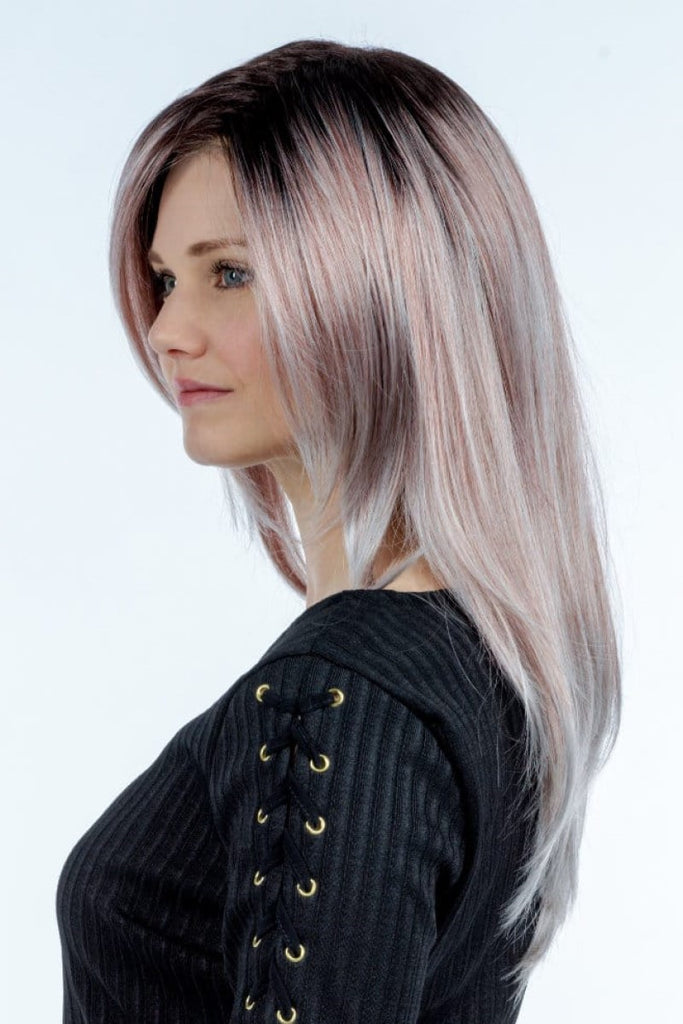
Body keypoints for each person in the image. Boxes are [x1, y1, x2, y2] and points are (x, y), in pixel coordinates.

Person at [55, 39, 622, 1023]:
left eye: (229, 273)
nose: (165, 330)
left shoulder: (340, 694)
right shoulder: (478, 658)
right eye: (165, 278)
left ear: (381, 296)